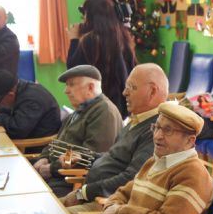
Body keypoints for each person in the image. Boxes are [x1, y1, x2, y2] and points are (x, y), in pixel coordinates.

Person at [53, 63, 168, 203]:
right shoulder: (137, 120)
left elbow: (131, 178)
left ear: (152, 91)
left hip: (106, 205)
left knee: (51, 212)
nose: (124, 92)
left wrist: (82, 193)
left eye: (131, 87)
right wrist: (81, 157)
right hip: (91, 194)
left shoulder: (156, 130)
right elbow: (112, 157)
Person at [33, 65, 122, 183]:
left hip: (73, 181)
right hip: (58, 174)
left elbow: (90, 157)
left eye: (71, 84)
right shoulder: (80, 110)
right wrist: (43, 157)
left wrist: (52, 168)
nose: (66, 90)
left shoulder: (104, 112)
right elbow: (58, 142)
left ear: (90, 87)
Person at [67, 0, 137, 118]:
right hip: (124, 105)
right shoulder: (123, 36)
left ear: (90, 16)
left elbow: (73, 70)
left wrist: (74, 40)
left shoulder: (90, 40)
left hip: (99, 108)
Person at [0, 69, 61, 141]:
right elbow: (17, 114)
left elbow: (17, 130)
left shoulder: (31, 100)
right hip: (31, 137)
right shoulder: (23, 89)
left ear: (10, 95)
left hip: (37, 146)